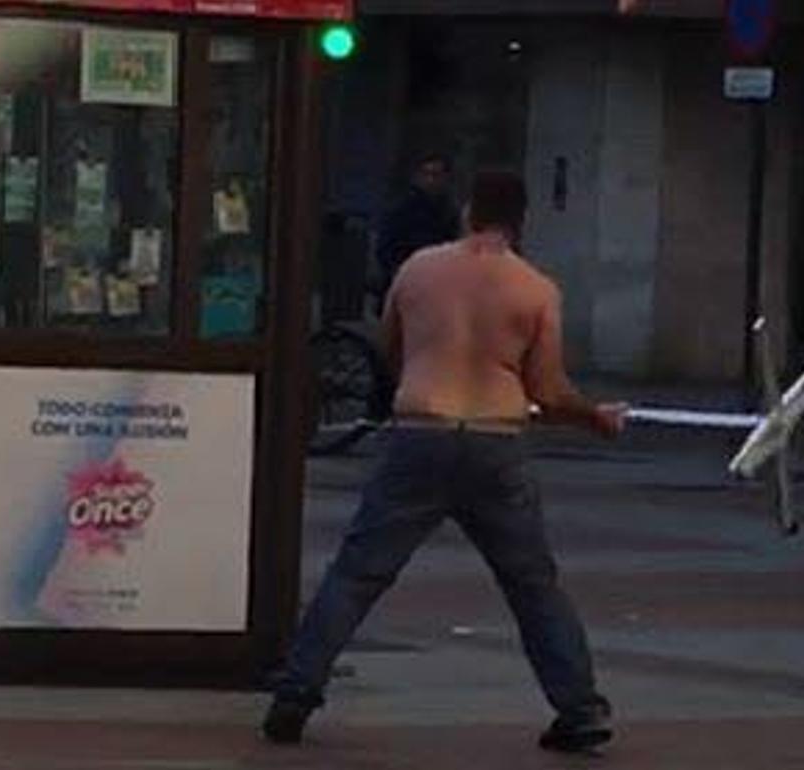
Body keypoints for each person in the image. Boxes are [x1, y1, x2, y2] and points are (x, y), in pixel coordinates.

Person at [264, 169, 626, 753]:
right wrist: (595, 418)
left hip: (421, 430)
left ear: (468, 211)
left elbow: (391, 348)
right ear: (520, 220)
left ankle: (297, 691)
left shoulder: (418, 269)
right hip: (496, 440)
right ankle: (580, 708)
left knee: (359, 571)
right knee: (532, 584)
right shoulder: (535, 289)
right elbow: (550, 390)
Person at [372, 153, 461, 312]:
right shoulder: (402, 211)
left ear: (446, 179)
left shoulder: (450, 213)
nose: (431, 180)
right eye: (426, 174)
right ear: (417, 177)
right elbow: (385, 250)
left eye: (437, 175)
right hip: (405, 287)